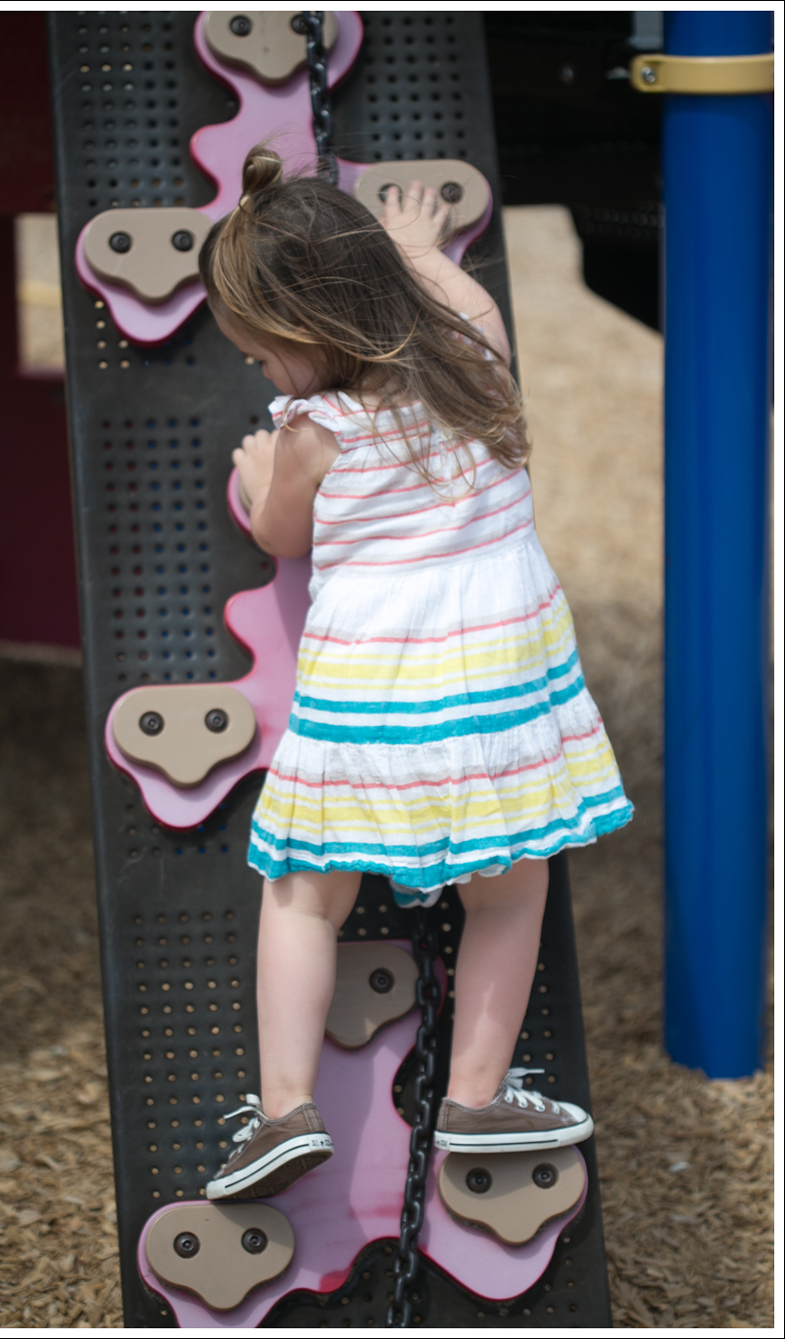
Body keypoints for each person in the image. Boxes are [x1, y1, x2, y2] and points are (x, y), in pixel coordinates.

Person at [196, 146, 633, 1202]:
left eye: (262, 358)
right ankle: (474, 1098)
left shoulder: (313, 431)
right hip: (492, 704)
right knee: (510, 893)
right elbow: (468, 301)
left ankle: (286, 1106)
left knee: (304, 898)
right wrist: (419, 252)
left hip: (373, 707)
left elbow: (281, 534)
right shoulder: (476, 362)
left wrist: (256, 481)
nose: (263, 377)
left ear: (307, 337)